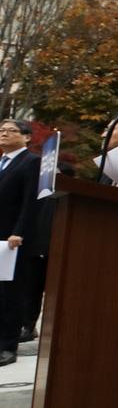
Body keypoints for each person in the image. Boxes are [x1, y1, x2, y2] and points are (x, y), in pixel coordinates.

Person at [0, 119, 40, 367]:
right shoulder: (2, 162)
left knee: (9, 294)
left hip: (12, 240)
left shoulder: (31, 162)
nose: (4, 134)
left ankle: (7, 345)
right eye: (1, 131)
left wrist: (19, 232)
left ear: (26, 137)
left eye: (10, 131)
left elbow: (31, 202)